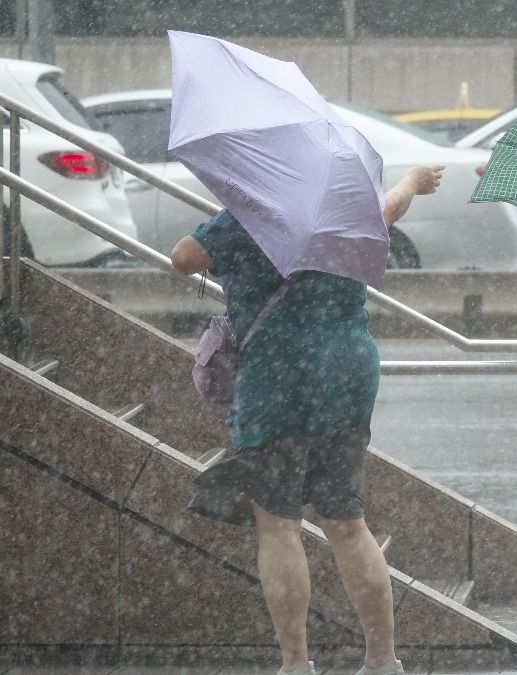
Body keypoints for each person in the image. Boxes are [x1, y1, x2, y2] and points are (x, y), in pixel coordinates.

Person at [171, 165, 445, 675]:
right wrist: (412, 182)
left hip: (280, 374)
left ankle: (296, 665)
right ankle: (383, 660)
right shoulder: (342, 205)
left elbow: (183, 258)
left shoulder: (250, 212)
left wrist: (237, 215)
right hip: (347, 369)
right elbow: (389, 209)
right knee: (345, 519)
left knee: (278, 525)